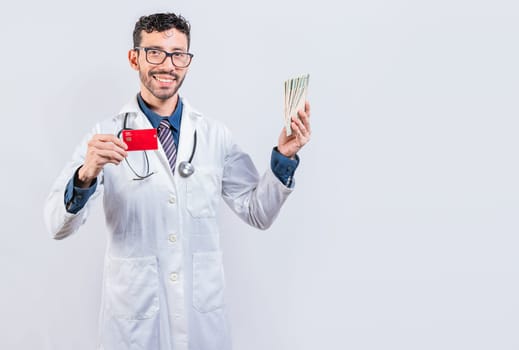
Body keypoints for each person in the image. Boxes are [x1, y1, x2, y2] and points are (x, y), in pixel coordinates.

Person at [44, 12, 311, 350]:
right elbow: (57, 224)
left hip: (202, 323)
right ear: (134, 58)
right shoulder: (104, 135)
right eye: (154, 52)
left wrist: (284, 158)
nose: (167, 65)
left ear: (187, 61)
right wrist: (85, 174)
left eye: (178, 54)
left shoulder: (214, 135)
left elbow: (258, 212)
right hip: (134, 326)